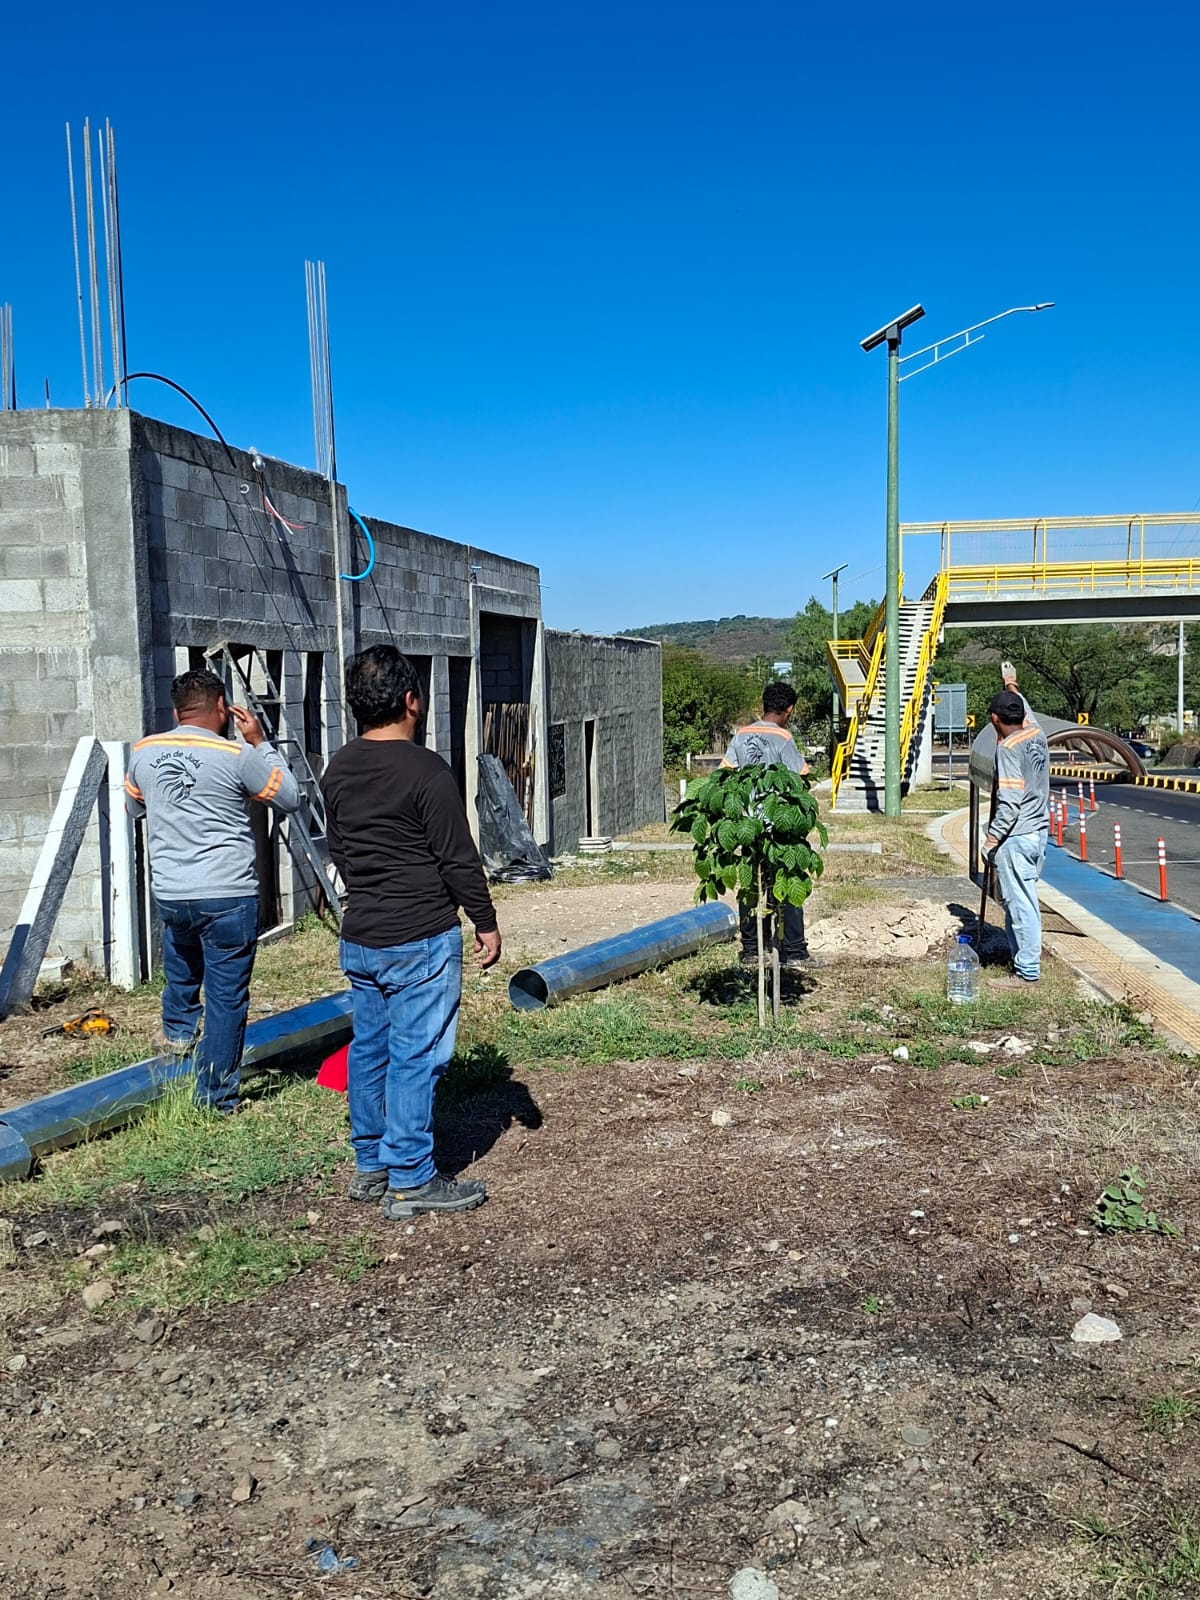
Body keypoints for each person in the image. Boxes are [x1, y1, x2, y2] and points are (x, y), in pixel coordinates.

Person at [320, 645, 502, 1220]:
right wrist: (486, 922)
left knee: (370, 1050)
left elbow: (341, 851)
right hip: (419, 935)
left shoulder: (338, 768)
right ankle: (412, 1177)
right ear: (411, 701)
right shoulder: (427, 771)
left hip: (363, 935)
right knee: (415, 1057)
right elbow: (457, 858)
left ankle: (370, 1165)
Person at [125, 668, 300, 1113]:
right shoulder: (236, 755)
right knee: (226, 998)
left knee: (181, 960)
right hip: (226, 893)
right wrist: (260, 742)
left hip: (172, 892)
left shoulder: (144, 751)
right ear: (222, 707)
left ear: (176, 710)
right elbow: (290, 797)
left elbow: (134, 805)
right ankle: (215, 1098)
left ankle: (180, 1038)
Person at [721, 681, 816, 970]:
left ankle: (751, 949)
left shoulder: (741, 735)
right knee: (787, 884)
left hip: (747, 825)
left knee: (750, 886)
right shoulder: (784, 738)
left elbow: (724, 775)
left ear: (763, 705)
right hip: (779, 826)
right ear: (789, 710)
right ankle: (794, 950)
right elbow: (801, 775)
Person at [984, 688, 1050, 985]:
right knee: (1019, 900)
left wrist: (991, 839)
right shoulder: (1037, 735)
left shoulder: (1009, 747)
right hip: (1037, 833)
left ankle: (1027, 971)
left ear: (994, 718)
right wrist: (1013, 687)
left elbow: (1009, 802)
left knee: (1021, 903)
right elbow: (1028, 712)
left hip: (1016, 836)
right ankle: (1021, 959)